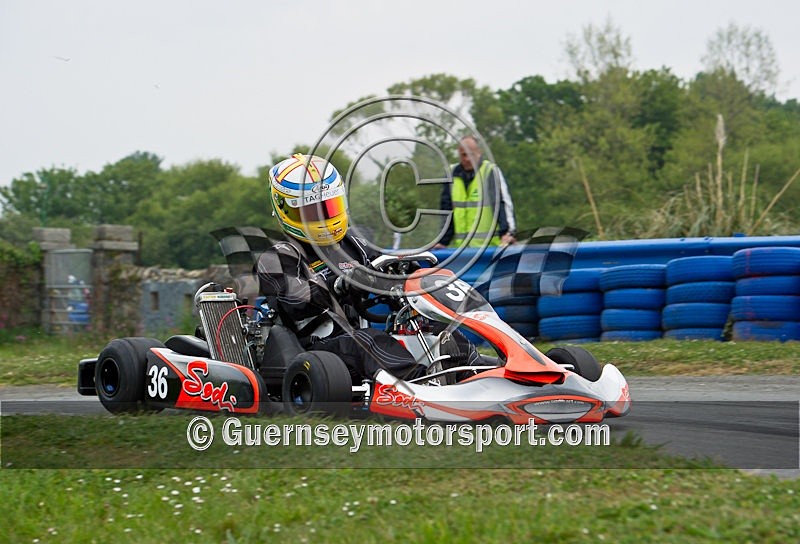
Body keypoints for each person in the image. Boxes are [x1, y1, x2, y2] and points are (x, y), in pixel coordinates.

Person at [256, 153, 431, 383]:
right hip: (315, 348)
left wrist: (402, 275)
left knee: (432, 328)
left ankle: (472, 371)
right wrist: (339, 285)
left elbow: (382, 271)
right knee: (367, 342)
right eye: (312, 211)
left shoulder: (353, 244)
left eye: (328, 207)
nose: (323, 217)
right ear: (287, 210)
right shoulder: (278, 256)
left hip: (357, 338)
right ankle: (422, 387)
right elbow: (297, 302)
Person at [435, 135, 517, 249]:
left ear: (479, 152)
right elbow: (447, 211)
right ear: (459, 153)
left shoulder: (490, 172)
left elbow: (502, 203)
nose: (467, 159)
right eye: (463, 155)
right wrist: (443, 241)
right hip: (462, 252)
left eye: (471, 154)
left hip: (491, 250)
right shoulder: (451, 175)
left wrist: (508, 233)